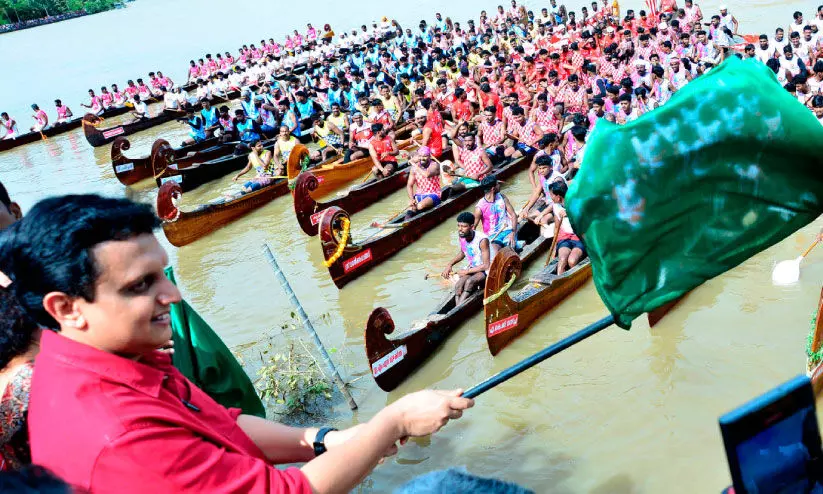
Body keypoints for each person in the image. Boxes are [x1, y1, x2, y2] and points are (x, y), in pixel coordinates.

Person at [1, 194, 473, 492]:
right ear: (66, 309)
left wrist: (327, 438)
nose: (173, 296)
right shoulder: (115, 433)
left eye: (163, 275)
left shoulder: (110, 356)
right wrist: (391, 422)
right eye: (141, 286)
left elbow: (220, 423)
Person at [442, 212, 491, 304]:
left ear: (472, 227)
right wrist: (450, 265)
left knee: (469, 282)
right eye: (459, 226)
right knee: (458, 285)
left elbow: (486, 266)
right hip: (473, 268)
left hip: (487, 269)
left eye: (464, 226)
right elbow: (462, 253)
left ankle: (457, 309)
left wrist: (466, 272)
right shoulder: (462, 236)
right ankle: (457, 308)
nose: (460, 229)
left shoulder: (482, 240)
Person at [473, 175, 518, 258]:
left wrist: (513, 232)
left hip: (508, 231)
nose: (499, 185)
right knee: (495, 255)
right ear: (493, 189)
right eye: (497, 184)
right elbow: (473, 228)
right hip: (492, 236)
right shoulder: (480, 207)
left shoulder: (502, 197)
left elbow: (513, 215)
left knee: (509, 248)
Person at [548, 180, 585, 274]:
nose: (550, 197)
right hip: (565, 237)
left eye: (552, 195)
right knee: (562, 261)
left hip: (579, 237)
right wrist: (554, 250)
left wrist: (569, 213)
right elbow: (556, 227)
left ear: (558, 197)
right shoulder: (556, 206)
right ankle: (558, 284)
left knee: (572, 261)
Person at [405, 146, 442, 219]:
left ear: (429, 156)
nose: (422, 158)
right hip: (419, 194)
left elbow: (427, 174)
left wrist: (414, 164)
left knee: (420, 206)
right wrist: (412, 199)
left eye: (425, 156)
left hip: (434, 194)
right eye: (420, 156)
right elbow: (409, 185)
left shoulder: (435, 165)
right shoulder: (413, 169)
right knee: (410, 208)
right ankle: (404, 224)